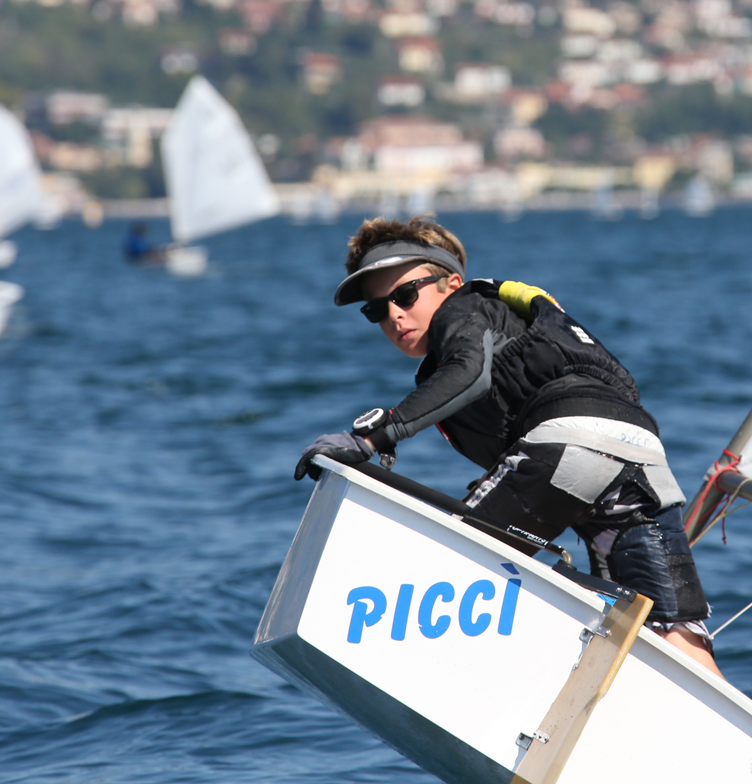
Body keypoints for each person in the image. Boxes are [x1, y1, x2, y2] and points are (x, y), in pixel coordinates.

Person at [295, 216, 722, 675]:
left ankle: (400, 672)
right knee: (672, 633)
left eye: (405, 295)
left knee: (452, 562)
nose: (394, 315)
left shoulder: (464, 308)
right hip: (640, 454)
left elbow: (468, 372)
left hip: (569, 444)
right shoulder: (502, 320)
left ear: (450, 282)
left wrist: (370, 438)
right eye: (377, 310)